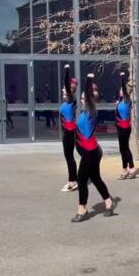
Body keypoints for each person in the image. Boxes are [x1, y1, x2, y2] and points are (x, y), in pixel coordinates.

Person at [71, 73, 116, 222]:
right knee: (95, 178)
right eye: (82, 98)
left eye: (84, 97)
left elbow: (88, 93)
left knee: (81, 179)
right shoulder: (85, 112)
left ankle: (82, 209)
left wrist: (88, 79)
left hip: (91, 153)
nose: (82, 99)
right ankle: (108, 202)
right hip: (92, 151)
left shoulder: (90, 111)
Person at [60, 64, 78, 192]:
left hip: (70, 131)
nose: (62, 90)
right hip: (66, 131)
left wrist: (66, 70)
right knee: (68, 156)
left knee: (69, 157)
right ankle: (73, 180)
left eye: (64, 89)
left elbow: (66, 84)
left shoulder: (72, 100)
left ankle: (72, 182)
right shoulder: (67, 102)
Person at [115, 71, 137, 180]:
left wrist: (122, 77)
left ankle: (129, 169)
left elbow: (124, 88)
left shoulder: (127, 100)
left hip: (124, 127)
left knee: (124, 149)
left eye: (121, 89)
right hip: (120, 127)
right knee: (123, 149)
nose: (120, 91)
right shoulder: (121, 101)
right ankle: (126, 169)